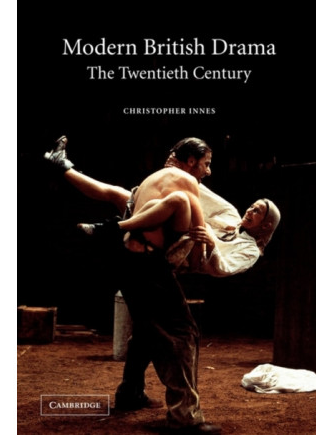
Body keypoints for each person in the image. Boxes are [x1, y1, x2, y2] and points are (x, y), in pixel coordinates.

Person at [45, 136, 223, 434]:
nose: (208, 171)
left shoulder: (150, 183)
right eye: (206, 164)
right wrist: (201, 251)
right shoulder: (185, 183)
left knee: (146, 326)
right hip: (147, 265)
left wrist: (64, 168)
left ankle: (130, 392)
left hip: (126, 262)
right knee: (182, 333)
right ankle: (185, 416)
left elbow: (107, 192)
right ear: (191, 161)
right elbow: (196, 234)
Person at [45, 136, 280, 276]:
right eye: (252, 206)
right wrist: (177, 171)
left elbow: (221, 269)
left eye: (257, 211)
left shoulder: (250, 250)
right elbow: (199, 191)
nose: (250, 210)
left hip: (186, 253)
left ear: (266, 225)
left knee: (179, 199)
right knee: (118, 194)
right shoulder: (230, 214)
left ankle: (112, 228)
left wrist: (210, 241)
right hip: (177, 228)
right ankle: (62, 165)